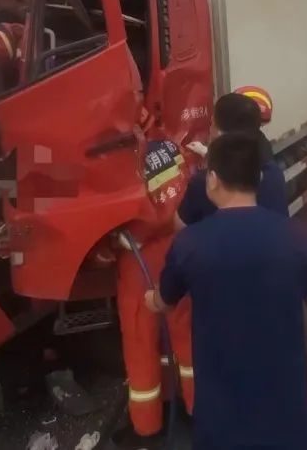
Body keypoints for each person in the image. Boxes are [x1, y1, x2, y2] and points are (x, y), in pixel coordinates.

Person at [148, 132, 307, 450]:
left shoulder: (190, 244)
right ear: (259, 179)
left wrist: (149, 299)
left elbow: (164, 301)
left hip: (221, 403)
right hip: (284, 398)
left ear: (212, 180)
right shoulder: (298, 238)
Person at [111, 139, 196, 449]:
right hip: (178, 252)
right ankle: (197, 409)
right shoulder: (169, 147)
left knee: (140, 341)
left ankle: (147, 426)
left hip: (139, 262)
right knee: (186, 338)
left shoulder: (118, 158)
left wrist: (112, 244)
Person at [175, 92, 287, 228]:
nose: (210, 130)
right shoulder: (274, 174)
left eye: (212, 124)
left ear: (220, 135)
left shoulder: (203, 184)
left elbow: (185, 230)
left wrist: (169, 216)